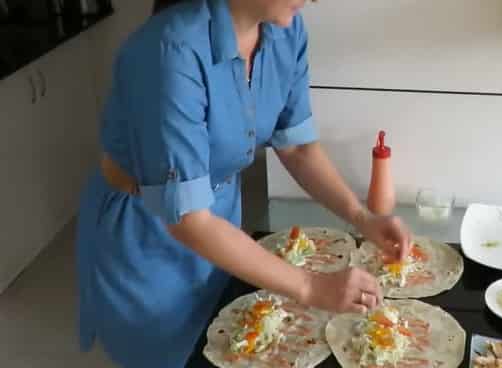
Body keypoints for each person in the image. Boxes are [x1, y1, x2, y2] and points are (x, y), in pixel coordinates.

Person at [75, 0, 412, 366]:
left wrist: (361, 217)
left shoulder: (286, 30)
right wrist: (311, 286)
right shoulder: (171, 50)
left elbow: (296, 146)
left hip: (221, 226)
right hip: (148, 242)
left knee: (226, 342)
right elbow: (188, 219)